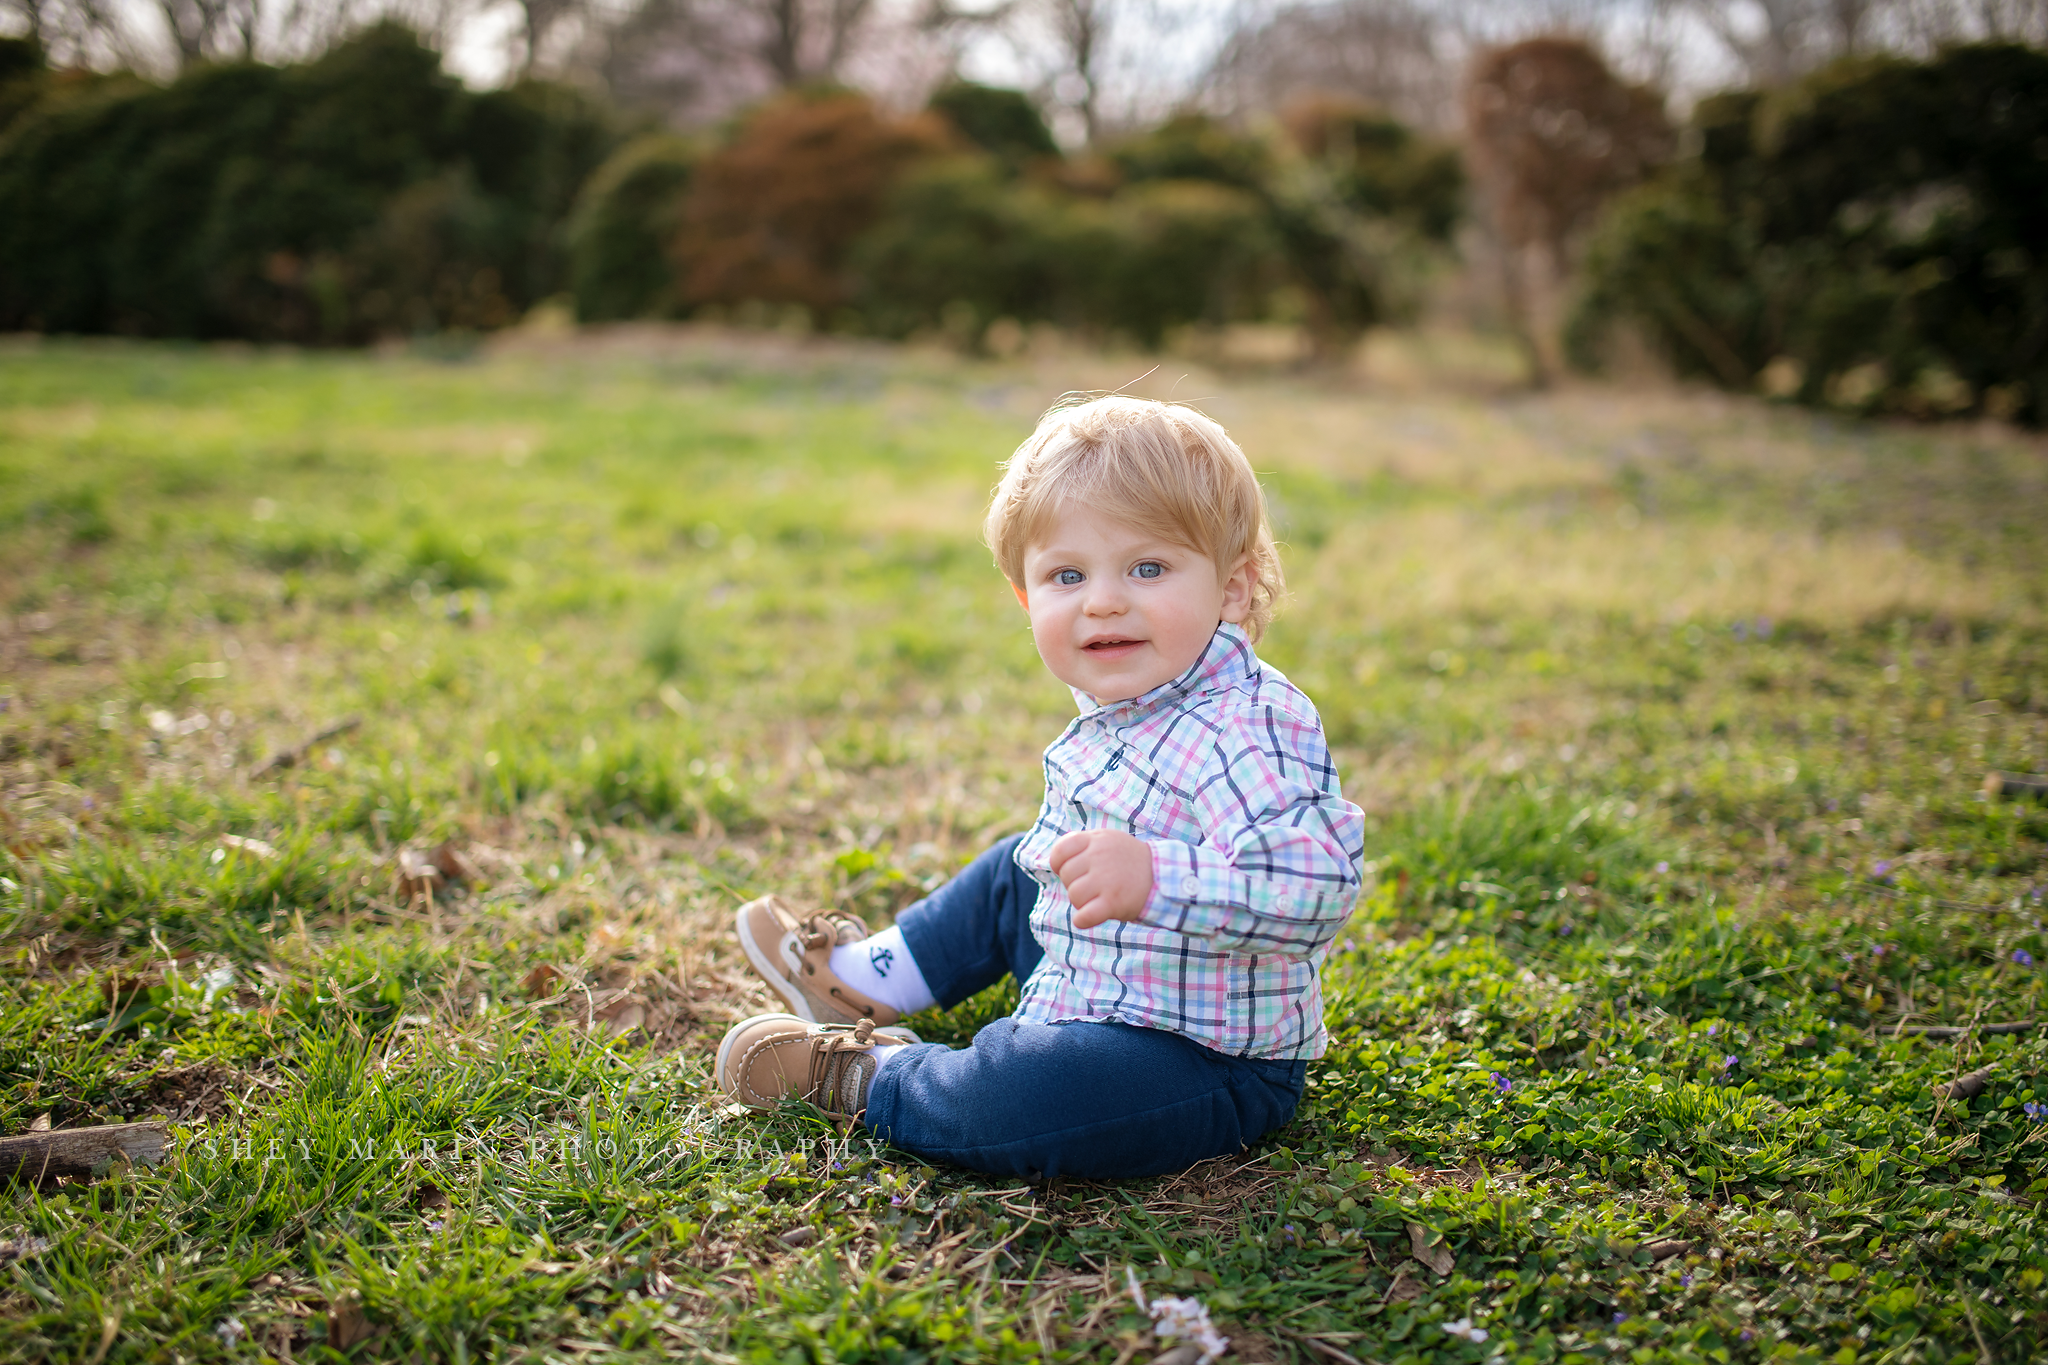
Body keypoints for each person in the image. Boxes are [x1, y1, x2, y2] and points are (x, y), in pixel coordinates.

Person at [712, 394, 1366, 1179]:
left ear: (1231, 588)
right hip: (1098, 969)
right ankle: (858, 979)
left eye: (1148, 567)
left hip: (1199, 1053)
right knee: (1019, 867)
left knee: (1040, 1094)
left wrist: (1158, 879)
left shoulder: (1245, 726)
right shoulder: (1138, 697)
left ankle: (868, 1076)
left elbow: (1314, 887)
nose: (1103, 599)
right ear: (1028, 598)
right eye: (1066, 575)